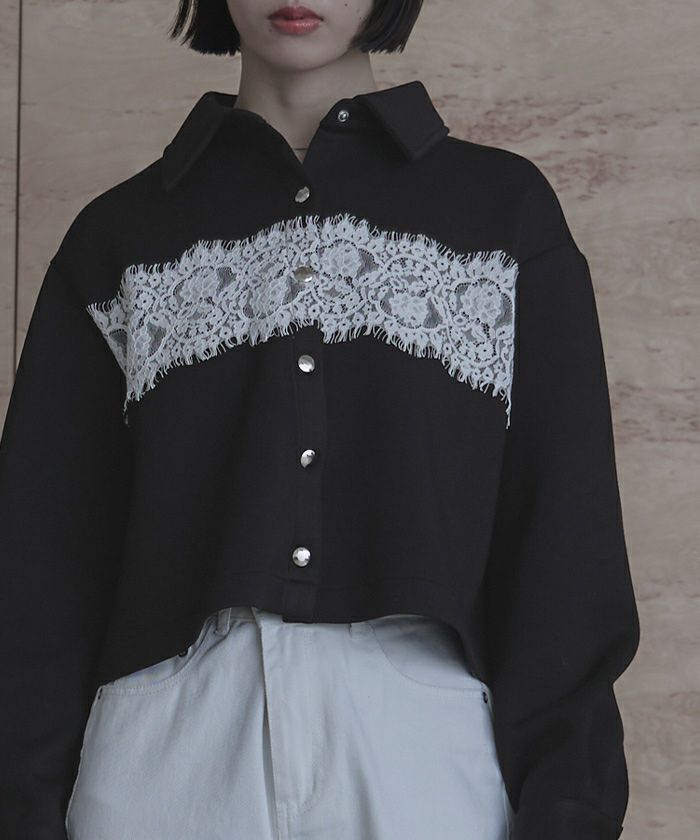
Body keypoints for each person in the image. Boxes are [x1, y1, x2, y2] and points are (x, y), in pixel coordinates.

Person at [0, 1, 641, 839]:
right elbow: (43, 565)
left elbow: (563, 536)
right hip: (170, 748)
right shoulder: (119, 237)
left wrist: (569, 810)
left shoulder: (503, 214)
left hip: (420, 746)